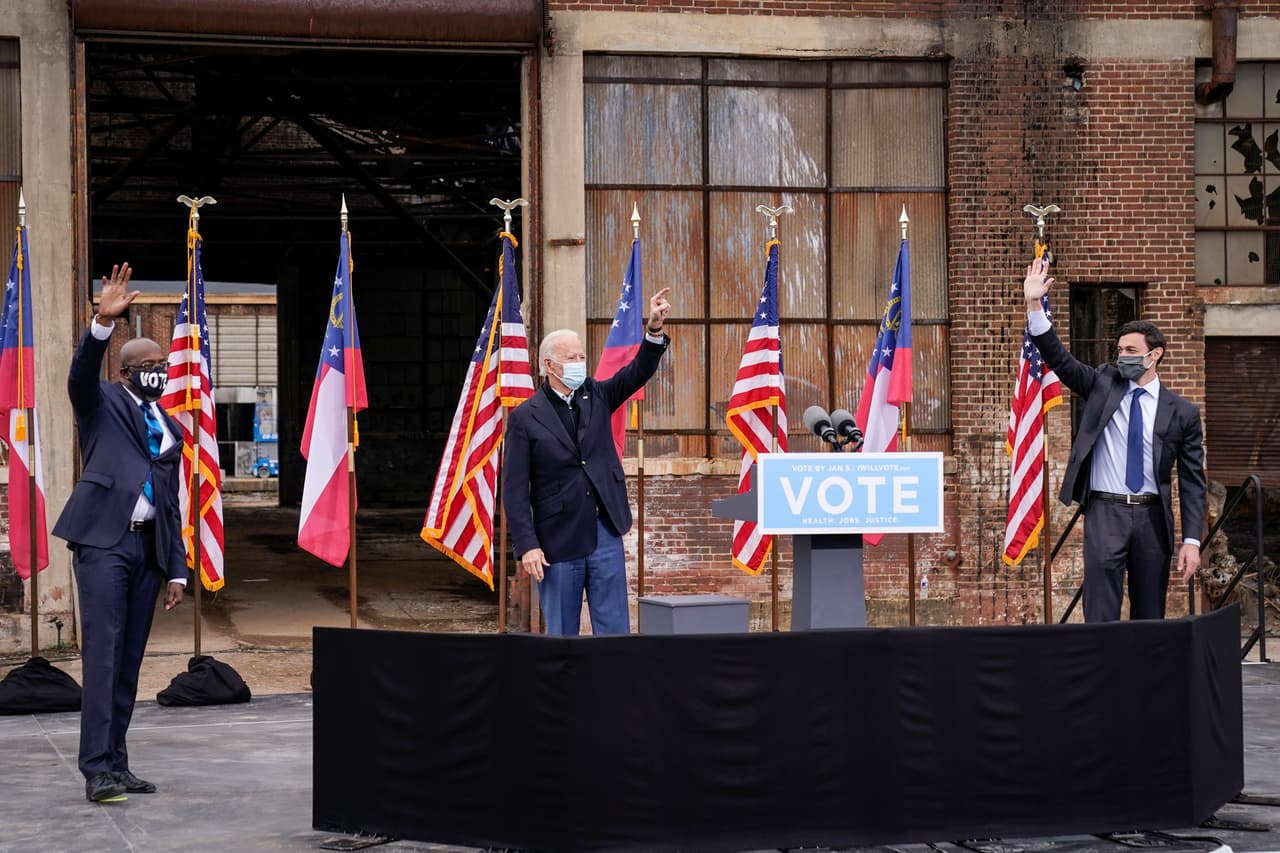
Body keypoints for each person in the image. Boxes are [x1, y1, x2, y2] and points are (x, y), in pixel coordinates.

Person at [52, 262, 187, 802]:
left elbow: (171, 504)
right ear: (128, 372)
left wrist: (176, 567)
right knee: (103, 655)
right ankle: (95, 770)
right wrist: (101, 326)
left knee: (130, 660)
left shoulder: (169, 425)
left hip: (147, 549)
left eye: (162, 363)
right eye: (148, 364)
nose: (158, 370)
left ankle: (119, 761)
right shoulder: (102, 402)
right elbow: (79, 375)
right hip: (104, 542)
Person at [1022, 256, 1205, 622]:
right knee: (1101, 610)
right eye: (1120, 350)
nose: (1123, 357)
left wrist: (1192, 540)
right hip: (1106, 511)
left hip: (1153, 516)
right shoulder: (1103, 383)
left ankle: (1144, 678)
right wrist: (1033, 305)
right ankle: (1101, 677)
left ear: (1155, 356)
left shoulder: (1182, 412)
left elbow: (1191, 482)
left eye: (1132, 351)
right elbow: (1061, 361)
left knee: (1149, 612)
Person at [503, 287, 672, 636]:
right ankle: (564, 690)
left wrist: (653, 332)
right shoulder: (525, 417)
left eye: (581, 356)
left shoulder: (596, 393)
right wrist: (527, 544)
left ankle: (613, 689)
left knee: (614, 632)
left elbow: (636, 372)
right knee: (562, 633)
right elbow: (515, 491)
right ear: (549, 365)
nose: (580, 363)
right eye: (572, 357)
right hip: (557, 540)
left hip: (605, 530)